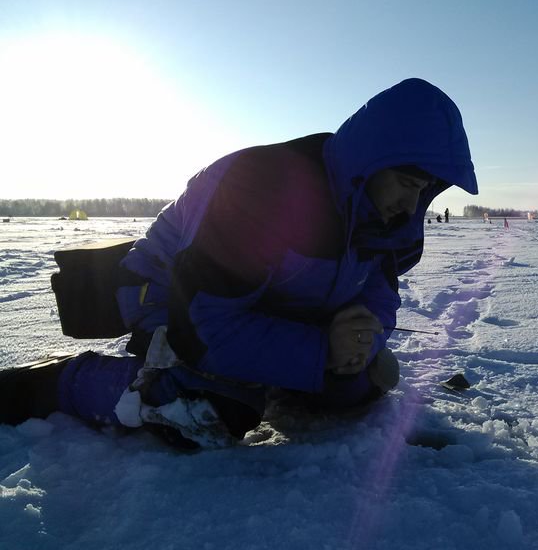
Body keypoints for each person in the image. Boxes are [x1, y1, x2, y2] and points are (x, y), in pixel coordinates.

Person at [0, 78, 479, 447]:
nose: (411, 204)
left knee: (361, 383)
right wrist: (321, 350)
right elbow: (204, 328)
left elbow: (378, 291)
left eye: (424, 192)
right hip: (170, 299)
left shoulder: (383, 215)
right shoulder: (265, 188)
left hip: (265, 305)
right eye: (407, 184)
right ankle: (60, 384)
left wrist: (362, 332)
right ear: (373, 161)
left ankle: (272, 379)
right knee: (209, 412)